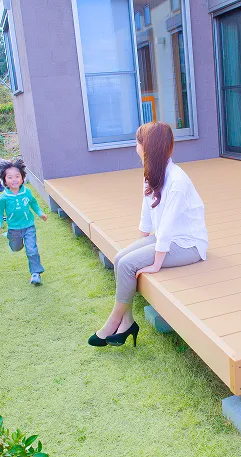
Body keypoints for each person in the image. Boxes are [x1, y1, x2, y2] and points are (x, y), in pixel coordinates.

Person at [88, 122, 208, 348]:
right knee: (121, 258)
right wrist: (140, 245)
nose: (135, 146)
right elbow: (147, 216)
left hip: (188, 245)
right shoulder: (151, 174)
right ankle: (127, 321)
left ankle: (114, 320)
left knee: (127, 264)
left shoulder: (177, 180)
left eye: (138, 142)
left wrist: (155, 264)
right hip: (167, 238)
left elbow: (167, 226)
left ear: (148, 147)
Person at [0, 159, 48, 285]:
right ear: (4, 180)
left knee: (32, 250)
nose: (14, 180)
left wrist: (40, 213)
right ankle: (10, 238)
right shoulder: (4, 196)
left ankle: (36, 273)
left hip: (29, 226)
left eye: (17, 176)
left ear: (23, 178)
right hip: (14, 229)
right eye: (10, 177)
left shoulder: (26, 192)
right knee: (16, 248)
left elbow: (33, 203)